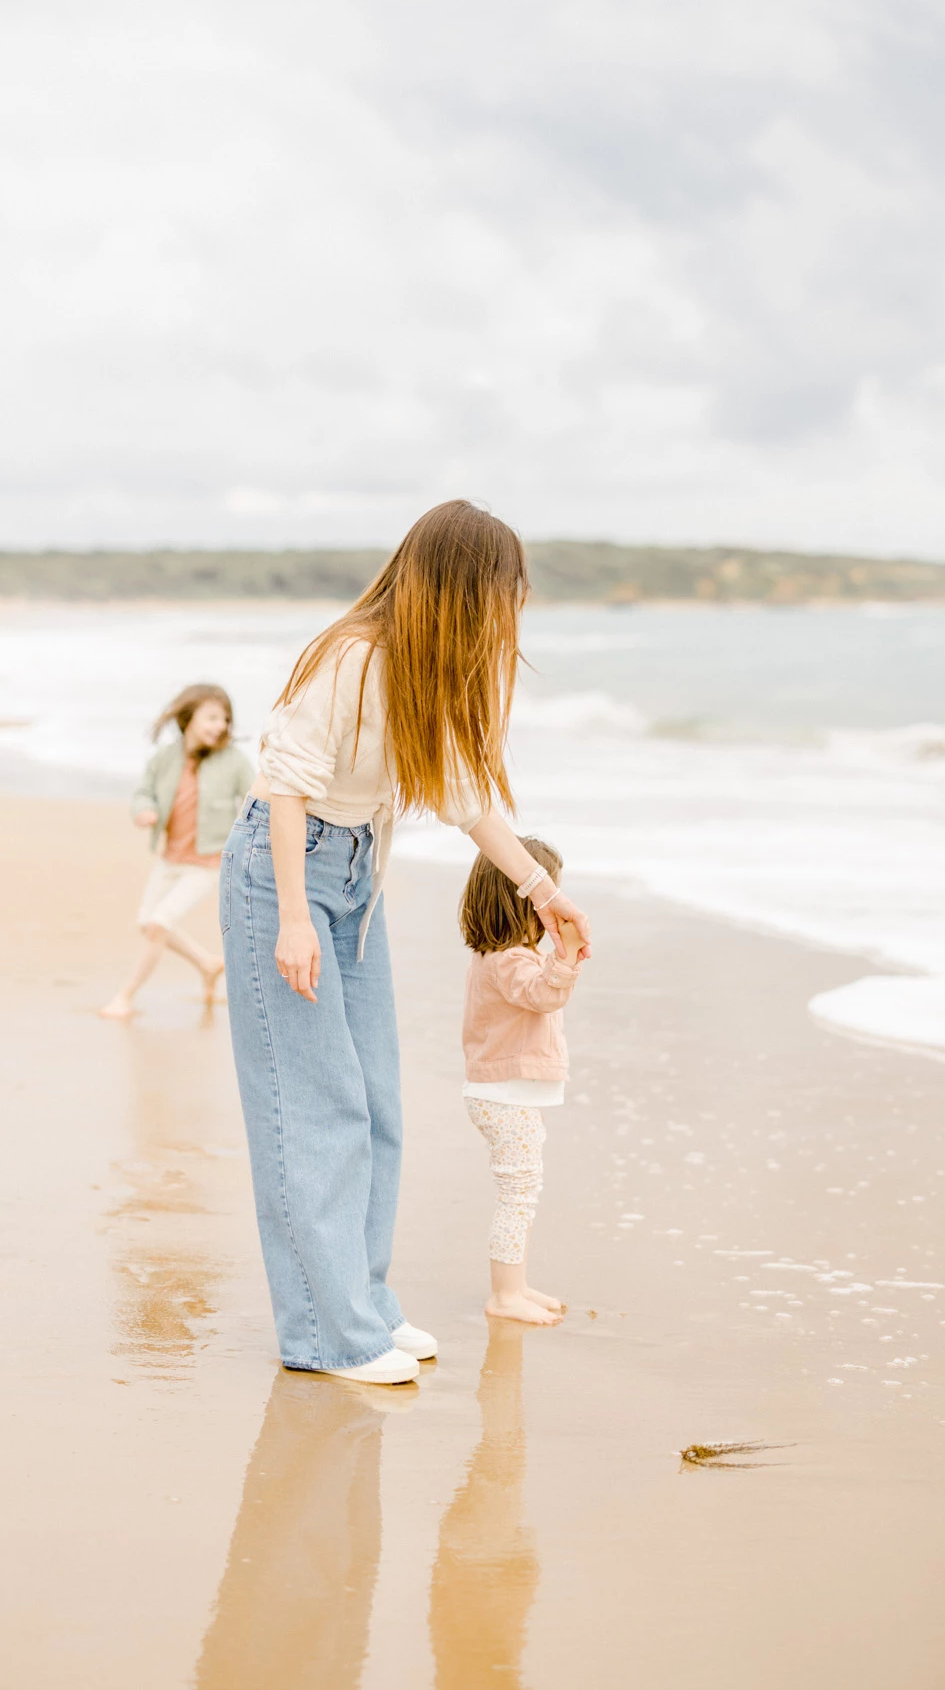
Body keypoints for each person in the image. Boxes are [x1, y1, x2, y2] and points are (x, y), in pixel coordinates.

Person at [220, 499, 591, 1386]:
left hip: (356, 874)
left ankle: (365, 1302)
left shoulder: (427, 670)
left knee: (377, 1103)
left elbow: (467, 799)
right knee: (316, 1107)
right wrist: (293, 919)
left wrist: (543, 895)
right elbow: (284, 784)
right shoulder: (352, 658)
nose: (507, 611)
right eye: (500, 591)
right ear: (459, 587)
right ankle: (328, 1333)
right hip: (286, 871)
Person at [459, 836, 585, 1326]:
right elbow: (543, 996)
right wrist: (566, 956)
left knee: (522, 1190)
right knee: (518, 1193)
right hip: (504, 1094)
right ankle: (505, 1294)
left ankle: (515, 1284)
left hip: (505, 1093)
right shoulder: (510, 960)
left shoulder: (502, 956)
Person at [100, 683, 254, 1018]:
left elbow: (256, 800)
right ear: (188, 718)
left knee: (159, 924)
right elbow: (143, 792)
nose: (221, 725)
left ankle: (125, 997)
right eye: (212, 717)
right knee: (146, 923)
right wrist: (144, 810)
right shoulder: (165, 758)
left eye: (225, 719)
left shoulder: (234, 761)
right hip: (170, 860)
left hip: (207, 864)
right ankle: (207, 964)